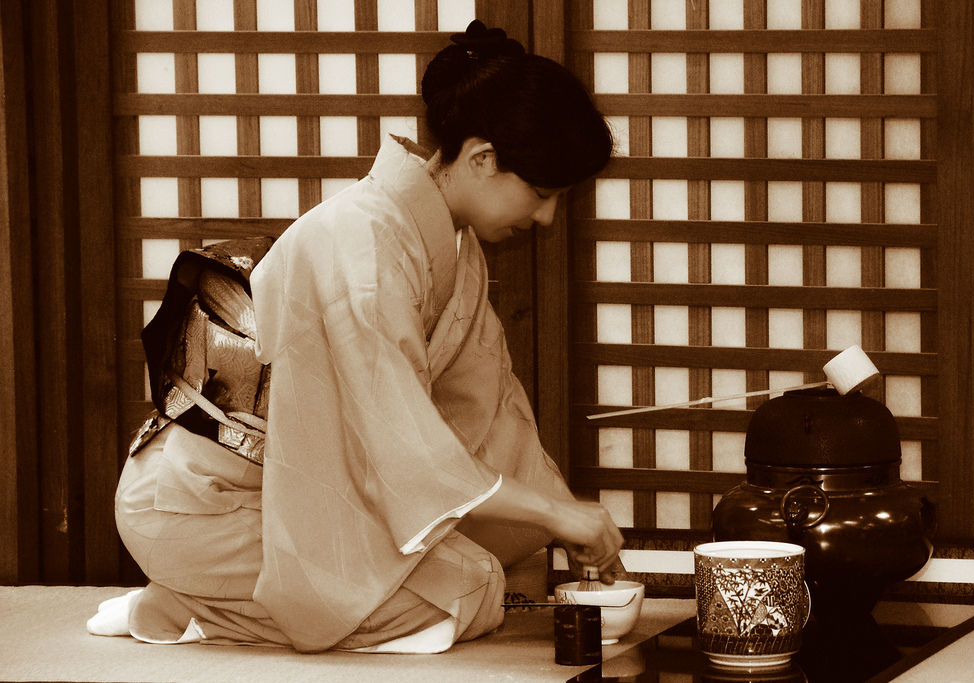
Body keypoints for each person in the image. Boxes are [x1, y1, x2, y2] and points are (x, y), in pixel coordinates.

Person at [93, 20, 622, 654]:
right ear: (482, 158)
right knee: (464, 593)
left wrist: (560, 514)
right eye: (541, 193)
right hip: (208, 504)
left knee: (498, 558)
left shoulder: (455, 250)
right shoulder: (362, 245)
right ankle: (182, 607)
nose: (547, 216)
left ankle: (230, 600)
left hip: (300, 493)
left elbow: (488, 407)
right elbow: (399, 439)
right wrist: (557, 512)